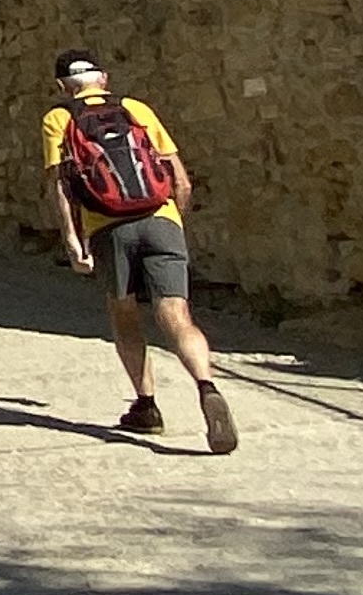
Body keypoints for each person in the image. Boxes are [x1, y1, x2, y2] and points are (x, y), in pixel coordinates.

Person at [43, 48, 237, 455]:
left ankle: (146, 406)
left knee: (124, 311)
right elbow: (180, 180)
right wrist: (173, 223)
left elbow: (60, 186)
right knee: (177, 314)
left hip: (107, 226)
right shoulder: (135, 108)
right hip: (160, 217)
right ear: (104, 79)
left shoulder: (58, 118)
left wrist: (73, 241)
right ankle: (207, 386)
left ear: (62, 86)